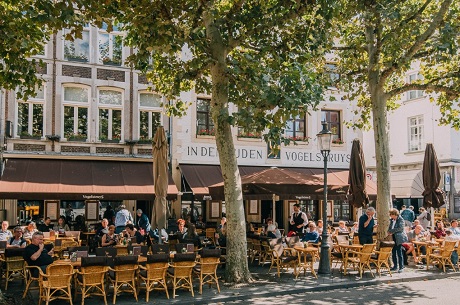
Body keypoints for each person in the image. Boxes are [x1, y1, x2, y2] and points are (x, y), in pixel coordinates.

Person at [388, 208, 408, 273]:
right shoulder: (392, 220)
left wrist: (391, 231)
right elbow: (390, 227)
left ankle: (401, 267)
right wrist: (389, 231)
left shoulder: (400, 219)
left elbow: (400, 228)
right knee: (393, 252)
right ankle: (395, 266)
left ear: (394, 214)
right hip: (393, 237)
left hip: (399, 237)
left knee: (399, 252)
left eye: (391, 214)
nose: (390, 216)